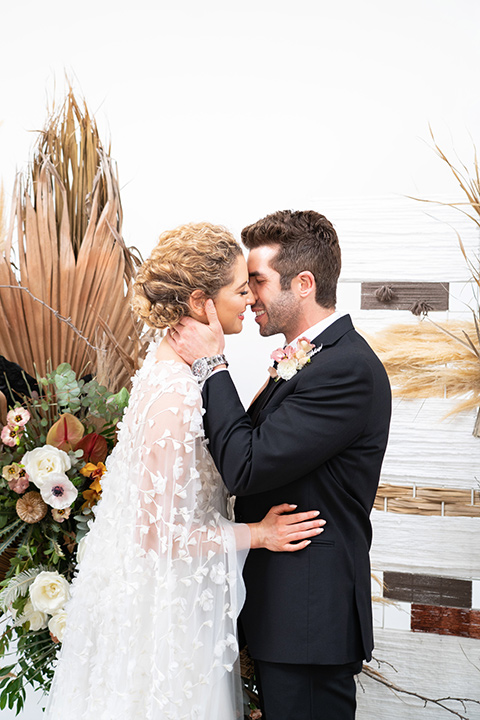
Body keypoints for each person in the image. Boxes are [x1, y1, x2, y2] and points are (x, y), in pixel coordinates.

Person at [45, 222, 324, 720]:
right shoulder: (175, 394)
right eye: (241, 290)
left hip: (185, 599)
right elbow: (157, 534)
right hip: (169, 617)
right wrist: (258, 534)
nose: (249, 301)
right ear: (201, 303)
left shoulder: (177, 373)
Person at [168, 210, 392, 720]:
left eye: (258, 281)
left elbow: (245, 466)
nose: (249, 297)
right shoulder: (312, 358)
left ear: (304, 283)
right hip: (282, 614)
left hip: (308, 621)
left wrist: (211, 364)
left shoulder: (346, 368)